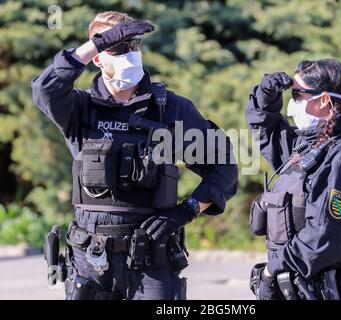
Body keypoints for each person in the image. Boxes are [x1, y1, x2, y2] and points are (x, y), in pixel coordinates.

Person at [32, 11, 238, 300]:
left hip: (151, 259)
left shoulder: (171, 109)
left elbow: (224, 168)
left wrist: (187, 210)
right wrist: (99, 42)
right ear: (97, 58)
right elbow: (44, 88)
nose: (129, 53)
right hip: (90, 262)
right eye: (118, 47)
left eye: (134, 44)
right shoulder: (79, 108)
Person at [245, 59, 341, 300]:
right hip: (292, 285)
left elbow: (325, 234)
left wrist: (273, 268)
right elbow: (265, 132)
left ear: (324, 99)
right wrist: (266, 96)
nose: (292, 103)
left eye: (297, 94)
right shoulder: (307, 146)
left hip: (319, 290)